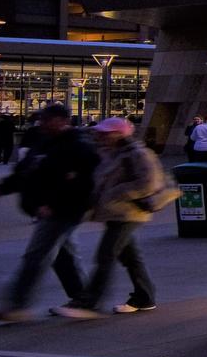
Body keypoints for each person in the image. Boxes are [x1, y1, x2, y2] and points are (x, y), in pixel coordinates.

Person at [0, 102, 96, 321]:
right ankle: (84, 298)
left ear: (63, 121)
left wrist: (53, 203)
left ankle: (16, 305)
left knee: (37, 255)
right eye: (42, 119)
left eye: (47, 120)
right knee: (62, 255)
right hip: (47, 209)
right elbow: (26, 172)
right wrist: (1, 188)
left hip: (63, 210)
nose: (42, 123)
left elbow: (81, 183)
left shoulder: (78, 146)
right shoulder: (45, 143)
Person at [62, 117, 169, 317]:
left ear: (119, 134)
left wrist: (118, 192)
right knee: (130, 257)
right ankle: (145, 297)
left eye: (105, 133)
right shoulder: (110, 153)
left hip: (129, 212)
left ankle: (90, 303)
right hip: (116, 212)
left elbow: (149, 183)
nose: (100, 136)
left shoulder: (137, 153)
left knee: (106, 254)